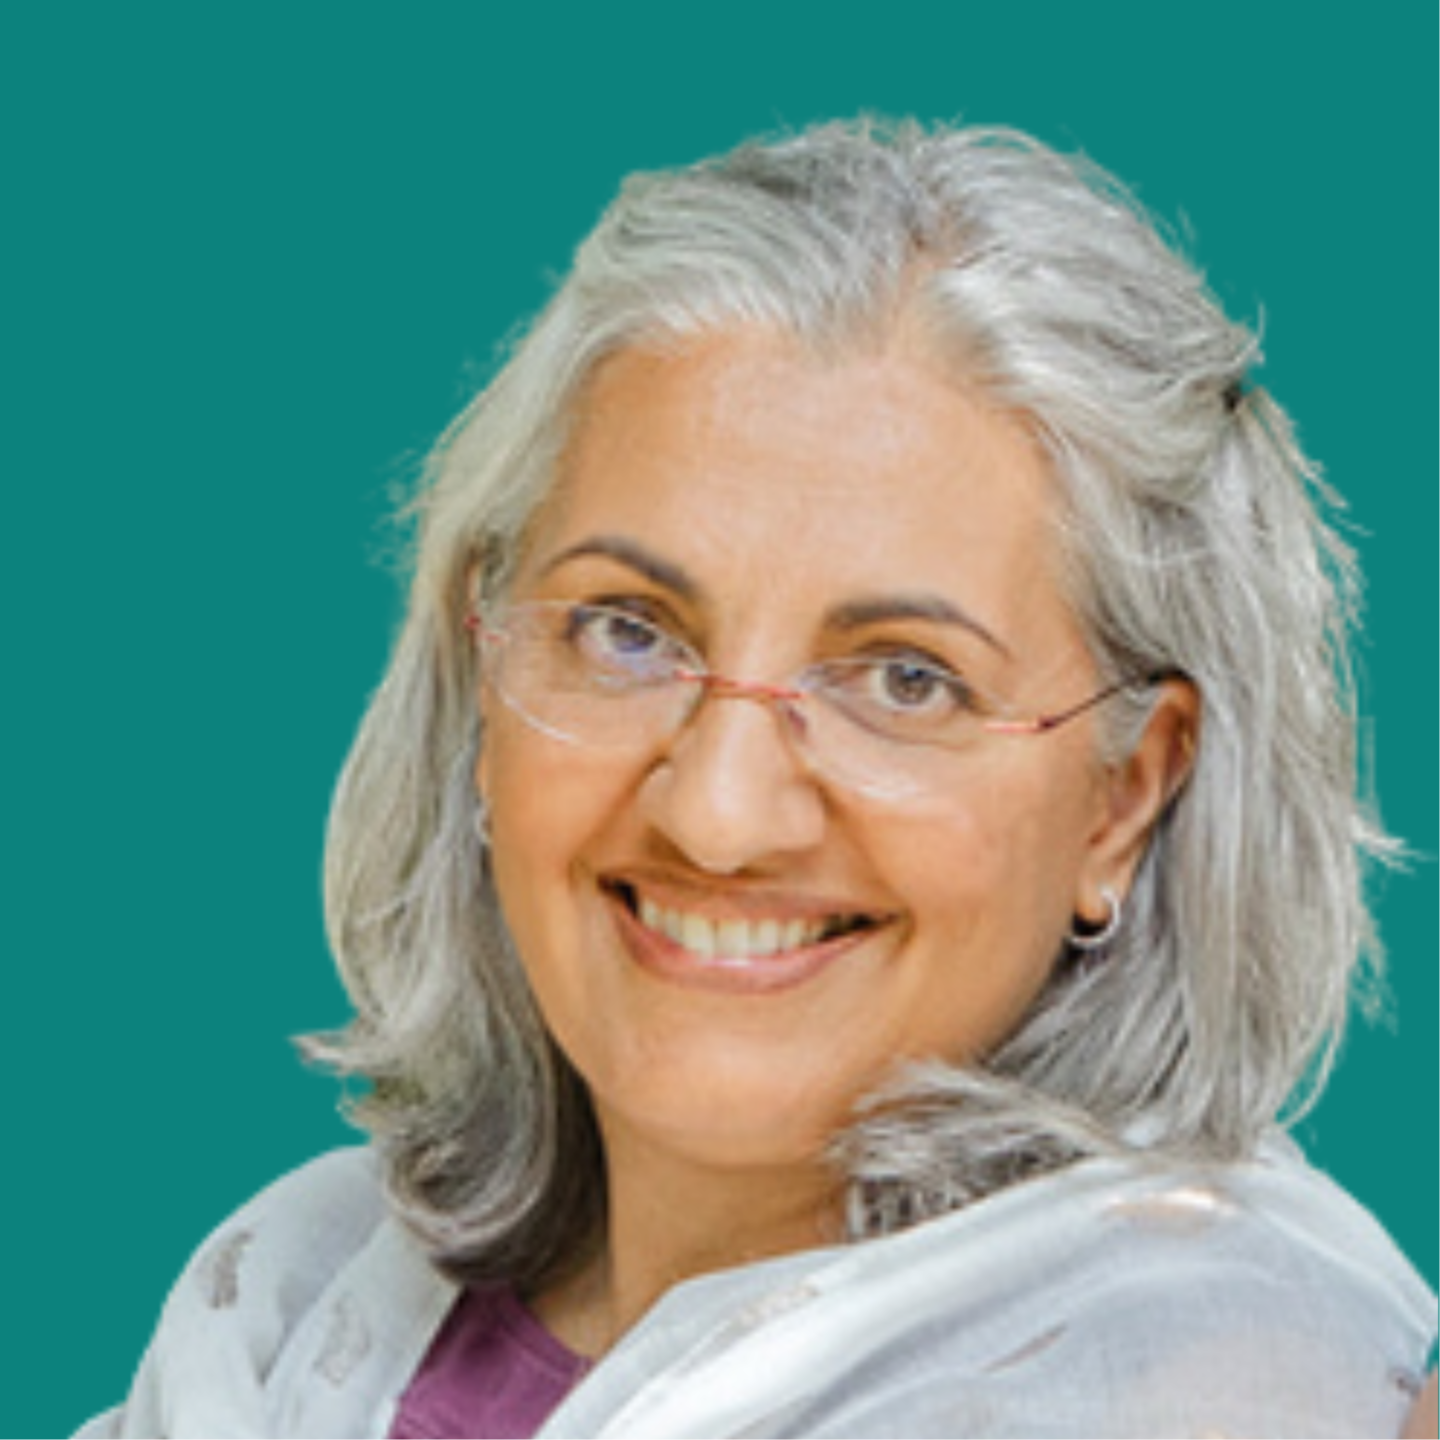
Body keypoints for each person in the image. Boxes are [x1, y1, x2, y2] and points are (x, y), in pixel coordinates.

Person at [76, 118, 1435, 1440]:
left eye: (906, 678)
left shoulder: (1235, 1397)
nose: (718, 815)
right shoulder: (289, 1311)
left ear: (1125, 796)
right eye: (627, 632)